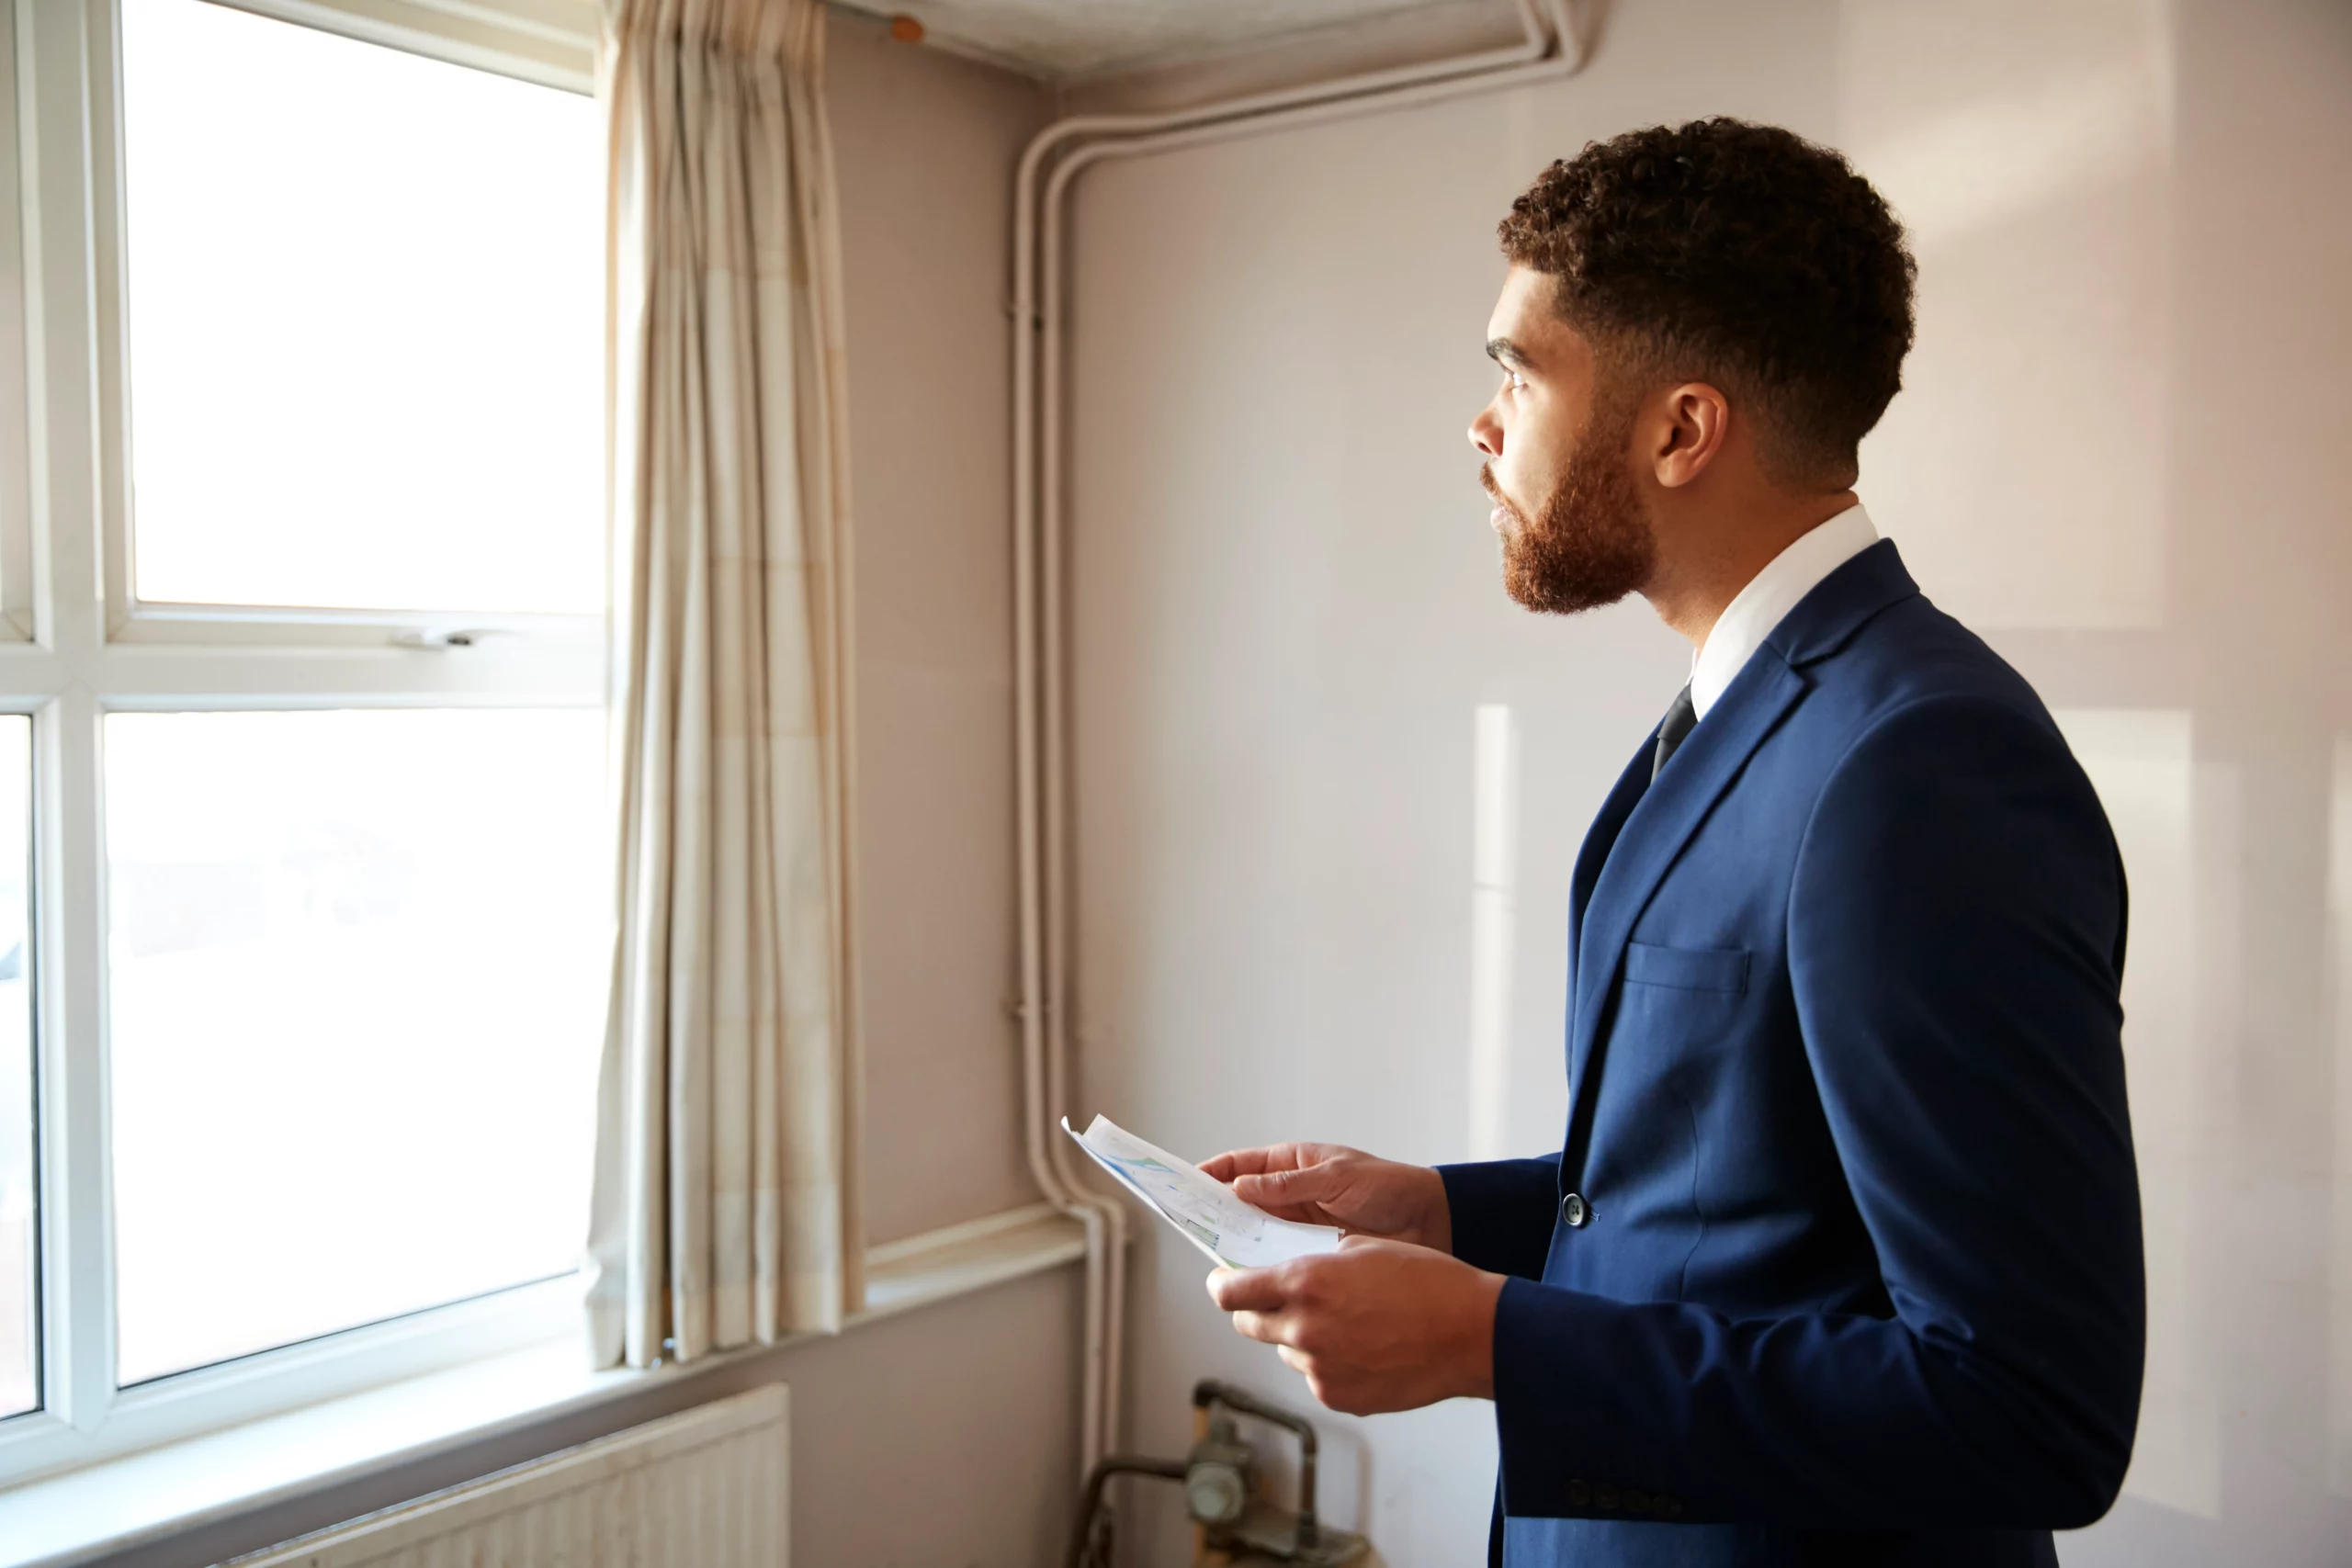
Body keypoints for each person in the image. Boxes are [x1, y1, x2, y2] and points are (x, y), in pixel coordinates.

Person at [1198, 118, 2145, 1568]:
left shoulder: (1923, 761)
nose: (1483, 419)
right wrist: (1448, 1213)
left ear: (1681, 428)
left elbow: (2029, 1407)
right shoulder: (1753, 706)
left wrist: (1501, 1344)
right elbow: (1750, 1194)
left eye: (1520, 369)